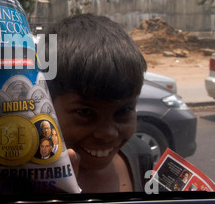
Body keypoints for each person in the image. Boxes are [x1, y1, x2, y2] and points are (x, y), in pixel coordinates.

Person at [44, 13, 154, 193]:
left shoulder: (141, 155)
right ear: (47, 106)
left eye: (124, 110)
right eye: (85, 113)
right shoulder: (24, 179)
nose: (107, 134)